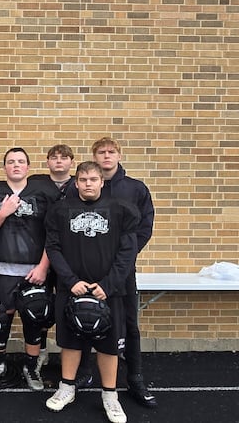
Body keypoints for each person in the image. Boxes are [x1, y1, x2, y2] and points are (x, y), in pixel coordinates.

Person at [44, 161, 140, 423]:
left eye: (93, 179)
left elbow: (127, 253)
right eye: (83, 179)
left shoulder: (120, 210)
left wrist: (108, 285)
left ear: (102, 182)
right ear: (76, 182)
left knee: (109, 345)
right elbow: (53, 248)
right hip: (72, 288)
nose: (88, 184)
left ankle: (110, 395)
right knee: (70, 340)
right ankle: (66, 387)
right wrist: (70, 280)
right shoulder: (61, 211)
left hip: (108, 291)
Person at [73, 137, 157, 407]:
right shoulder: (84, 188)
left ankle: (135, 378)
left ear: (119, 155)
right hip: (88, 269)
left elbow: (144, 228)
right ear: (94, 157)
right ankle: (84, 373)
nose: (106, 156)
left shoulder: (135, 189)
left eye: (111, 152)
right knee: (83, 320)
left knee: (129, 325)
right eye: (101, 152)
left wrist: (125, 259)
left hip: (121, 272)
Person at [0, 148, 61, 391]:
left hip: (35, 270)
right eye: (11, 162)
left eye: (21, 162)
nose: (16, 165)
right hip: (3, 269)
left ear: (28, 166)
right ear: (4, 166)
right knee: (2, 318)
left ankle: (31, 366)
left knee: (34, 319)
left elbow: (55, 234)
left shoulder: (45, 191)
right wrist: (3, 213)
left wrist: (44, 267)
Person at [27, 144, 76, 374]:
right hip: (43, 252)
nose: (59, 161)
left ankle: (74, 354)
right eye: (54, 158)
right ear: (47, 161)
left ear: (71, 162)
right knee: (40, 305)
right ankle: (42, 351)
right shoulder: (36, 183)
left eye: (64, 158)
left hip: (72, 256)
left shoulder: (80, 184)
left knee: (70, 305)